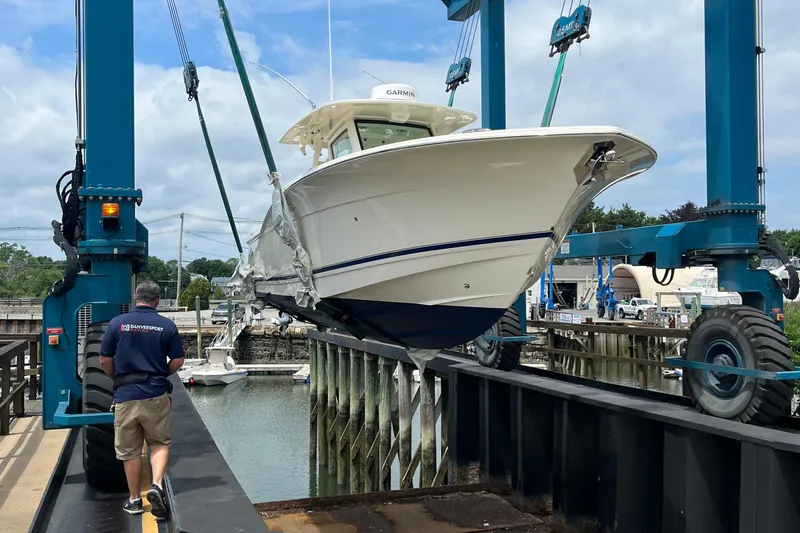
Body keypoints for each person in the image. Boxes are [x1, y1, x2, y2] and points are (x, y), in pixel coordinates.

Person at [99, 279, 185, 517]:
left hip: (126, 395)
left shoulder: (117, 324)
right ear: (157, 300)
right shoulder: (166, 325)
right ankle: (156, 485)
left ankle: (135, 500)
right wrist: (160, 375)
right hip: (156, 394)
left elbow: (104, 360)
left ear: (136, 297)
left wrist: (117, 378)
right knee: (159, 442)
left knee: (130, 452)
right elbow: (177, 360)